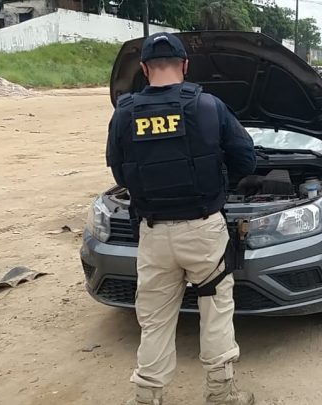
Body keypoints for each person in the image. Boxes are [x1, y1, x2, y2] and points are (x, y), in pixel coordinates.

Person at [106, 32, 257, 405]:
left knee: (155, 318)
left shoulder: (124, 113)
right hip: (203, 229)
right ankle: (222, 394)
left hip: (154, 233)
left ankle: (146, 396)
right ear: (185, 66)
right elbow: (245, 160)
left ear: (143, 69)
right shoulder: (208, 106)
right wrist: (219, 184)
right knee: (216, 309)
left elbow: (119, 173)